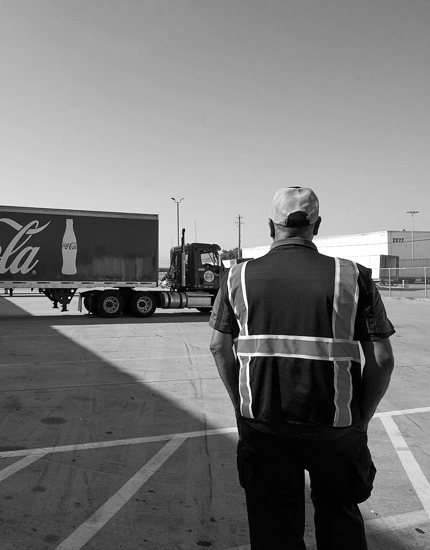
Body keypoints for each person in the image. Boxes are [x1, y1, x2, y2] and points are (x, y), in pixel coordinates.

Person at [209, 187, 395, 550]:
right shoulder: (352, 276)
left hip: (263, 424)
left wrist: (240, 407)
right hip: (335, 428)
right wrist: (361, 418)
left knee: (273, 528)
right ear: (317, 225)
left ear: (270, 226)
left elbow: (218, 347)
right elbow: (383, 359)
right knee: (339, 519)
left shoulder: (237, 277)